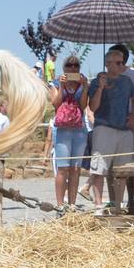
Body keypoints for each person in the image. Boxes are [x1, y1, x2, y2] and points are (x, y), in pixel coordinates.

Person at [87, 46, 134, 212]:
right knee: (100, 168)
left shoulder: (127, 81)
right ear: (108, 63)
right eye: (118, 62)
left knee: (122, 170)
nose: (122, 65)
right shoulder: (98, 81)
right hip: (104, 127)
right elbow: (93, 107)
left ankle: (118, 205)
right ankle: (98, 205)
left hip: (124, 129)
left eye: (123, 62)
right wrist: (100, 88)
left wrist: (133, 115)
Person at [49, 56, 89, 210]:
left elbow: (83, 105)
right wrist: (62, 86)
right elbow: (56, 104)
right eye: (69, 65)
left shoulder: (82, 83)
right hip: (62, 129)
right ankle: (60, 205)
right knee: (63, 168)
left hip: (79, 128)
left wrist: (85, 87)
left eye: (76, 66)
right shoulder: (56, 83)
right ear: (64, 67)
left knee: (75, 168)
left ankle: (72, 204)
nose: (73, 68)